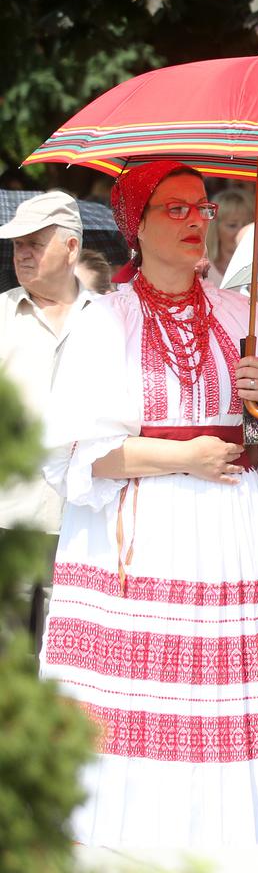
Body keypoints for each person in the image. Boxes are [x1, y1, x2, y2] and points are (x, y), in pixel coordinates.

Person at [39, 161, 258, 846]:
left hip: (227, 531)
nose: (194, 220)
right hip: (138, 529)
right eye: (174, 209)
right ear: (136, 227)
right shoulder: (106, 320)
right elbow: (74, 455)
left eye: (200, 208)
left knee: (217, 713)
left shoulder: (242, 315)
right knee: (131, 708)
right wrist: (184, 457)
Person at [0, 192, 94, 645]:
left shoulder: (110, 319)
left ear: (71, 247)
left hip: (84, 523)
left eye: (34, 243)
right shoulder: (3, 314)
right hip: (9, 519)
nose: (22, 254)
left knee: (67, 662)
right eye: (17, 245)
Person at [202, 185, 252, 286]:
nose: (241, 231)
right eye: (232, 225)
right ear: (216, 229)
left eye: (247, 224)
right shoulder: (201, 270)